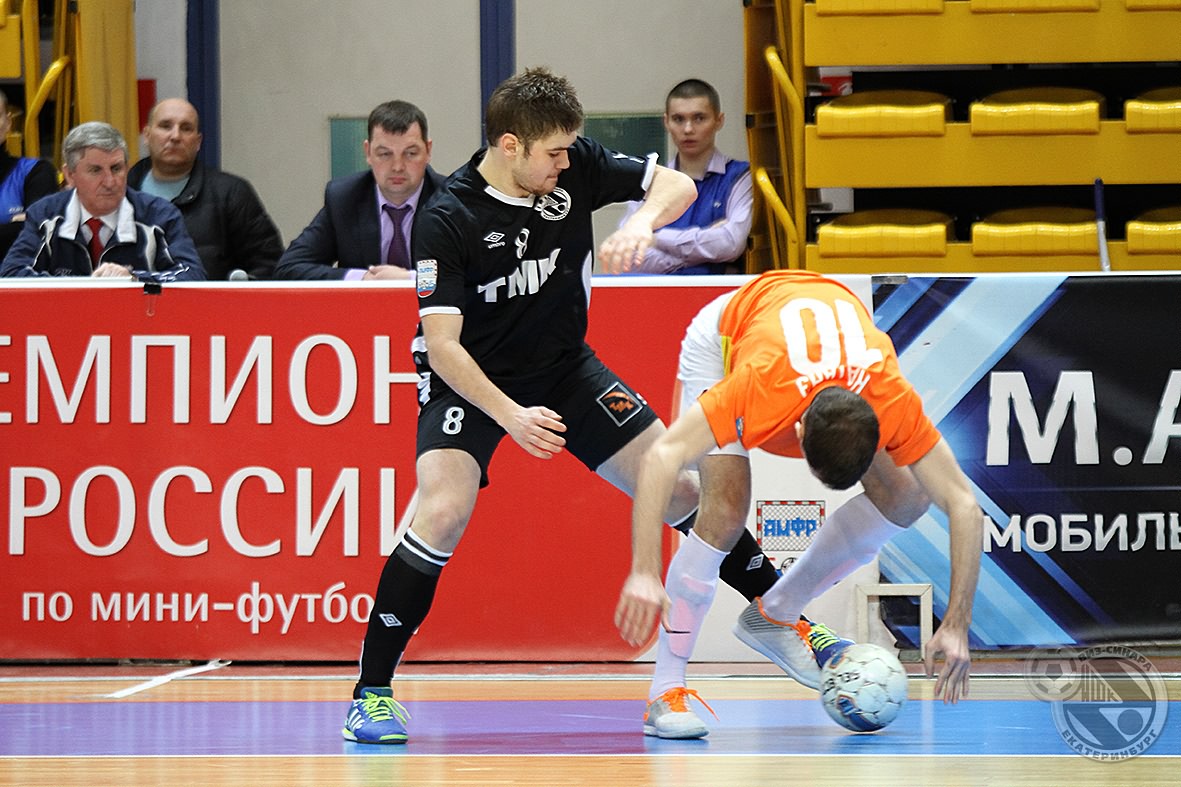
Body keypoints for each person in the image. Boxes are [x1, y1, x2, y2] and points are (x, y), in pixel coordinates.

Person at [342, 66, 714, 745]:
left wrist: (640, 223)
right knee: (442, 511)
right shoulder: (447, 216)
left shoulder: (571, 166)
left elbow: (678, 185)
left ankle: (797, 626)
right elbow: (443, 346)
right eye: (554, 153)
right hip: (472, 377)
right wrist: (510, 415)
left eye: (570, 150)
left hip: (564, 366)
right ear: (511, 145)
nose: (566, 163)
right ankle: (371, 692)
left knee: (684, 487)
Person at [613, 269, 984, 739]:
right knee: (725, 511)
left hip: (815, 334)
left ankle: (778, 610)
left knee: (907, 494)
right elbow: (660, 458)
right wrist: (644, 571)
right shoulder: (757, 387)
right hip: (727, 339)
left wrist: (957, 623)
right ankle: (665, 690)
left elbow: (964, 505)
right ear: (798, 430)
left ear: (879, 430)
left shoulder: (891, 397)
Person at [1, 121, 204, 282]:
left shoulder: (159, 215)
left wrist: (134, 279)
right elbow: (11, 274)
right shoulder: (45, 214)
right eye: (95, 170)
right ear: (70, 175)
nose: (109, 182)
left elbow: (192, 275)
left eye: (116, 168)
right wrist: (83, 287)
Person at [273, 100, 444, 281]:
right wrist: (362, 279)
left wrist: (412, 279)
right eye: (385, 154)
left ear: (428, 151)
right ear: (368, 152)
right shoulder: (344, 198)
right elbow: (289, 268)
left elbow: (466, 276)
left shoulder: (453, 201)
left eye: (410, 153)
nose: (397, 166)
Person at [128, 97, 283, 280]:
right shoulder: (121, 192)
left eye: (186, 128)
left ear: (198, 141)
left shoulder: (231, 193)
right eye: (165, 126)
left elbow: (269, 264)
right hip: (130, 297)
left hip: (210, 298)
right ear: (146, 135)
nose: (175, 136)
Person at [616, 78, 752, 275]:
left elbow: (731, 244)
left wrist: (657, 239)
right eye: (679, 119)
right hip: (657, 293)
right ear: (666, 122)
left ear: (719, 121)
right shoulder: (649, 180)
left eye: (699, 118)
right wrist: (707, 244)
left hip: (720, 293)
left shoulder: (740, 176)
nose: (688, 129)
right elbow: (627, 257)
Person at [0, 89, 59, 260]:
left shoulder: (37, 172)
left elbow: (38, 234)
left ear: (8, 122)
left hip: (16, 275)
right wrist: (12, 227)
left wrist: (26, 226)